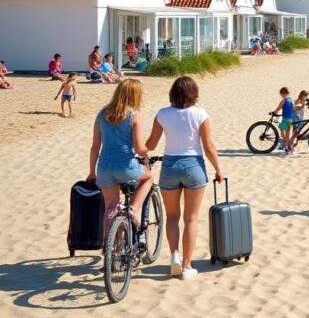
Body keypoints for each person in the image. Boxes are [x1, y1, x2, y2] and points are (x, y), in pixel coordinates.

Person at [146, 76, 223, 281]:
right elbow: (208, 147)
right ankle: (187, 266)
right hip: (193, 165)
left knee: (172, 217)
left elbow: (151, 144)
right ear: (193, 93)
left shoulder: (162, 114)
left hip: (170, 165)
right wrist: (218, 169)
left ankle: (174, 257)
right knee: (191, 218)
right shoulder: (200, 114)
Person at [87, 79, 152, 231]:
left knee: (110, 209)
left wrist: (91, 171)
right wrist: (147, 155)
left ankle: (110, 248)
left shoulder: (102, 114)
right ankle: (133, 209)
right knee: (148, 178)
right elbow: (138, 147)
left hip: (104, 168)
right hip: (126, 167)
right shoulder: (134, 115)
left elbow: (95, 146)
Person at [273, 87, 295, 156]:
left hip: (285, 119)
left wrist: (274, 112)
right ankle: (290, 147)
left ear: (283, 93)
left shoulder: (284, 100)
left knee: (282, 133)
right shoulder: (292, 100)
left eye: (281, 95)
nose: (281, 96)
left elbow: (279, 107)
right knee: (288, 134)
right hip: (290, 119)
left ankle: (287, 146)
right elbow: (293, 109)